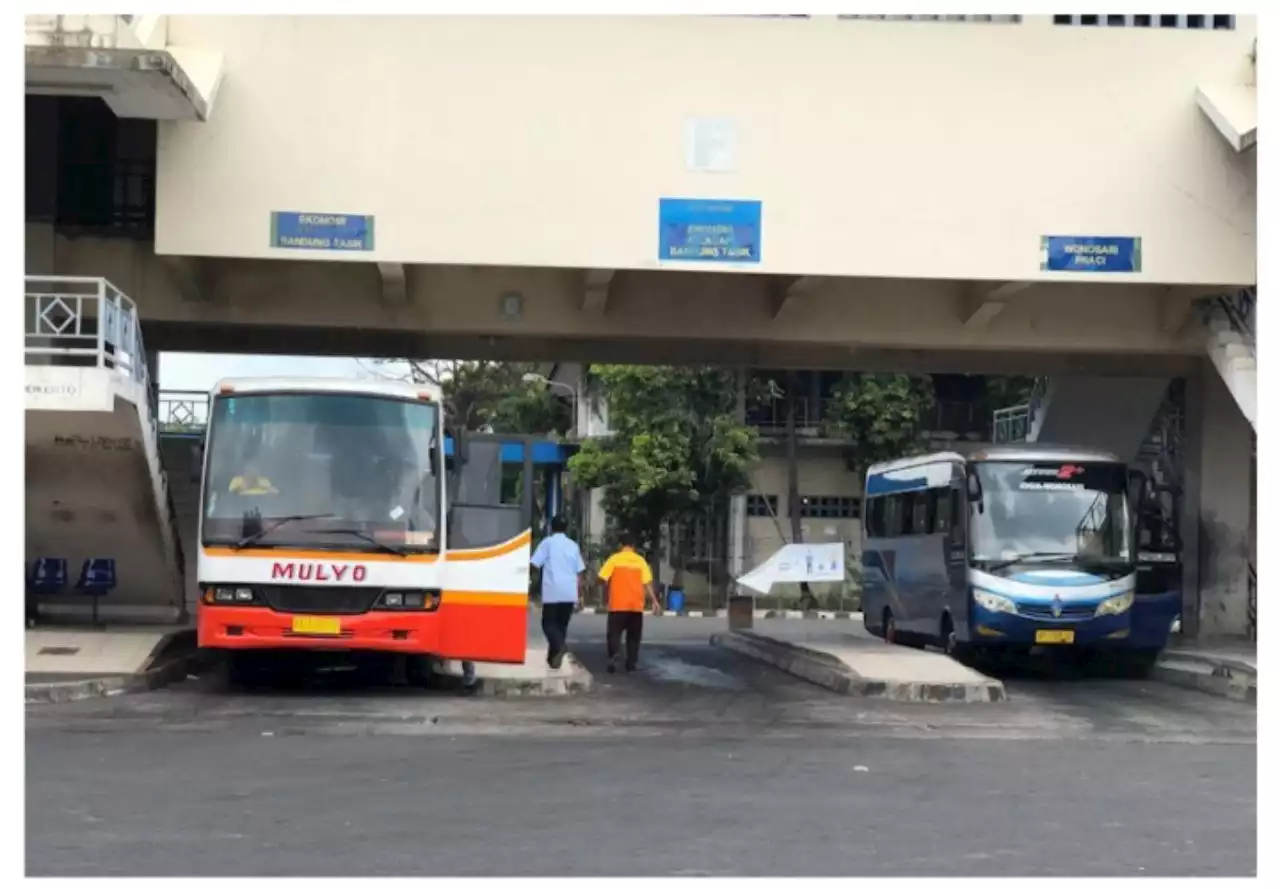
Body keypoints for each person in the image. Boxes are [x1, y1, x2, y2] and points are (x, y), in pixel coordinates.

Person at [597, 532, 662, 674]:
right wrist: (655, 601)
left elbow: (602, 578)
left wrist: (602, 586)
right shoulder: (640, 561)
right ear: (633, 546)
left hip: (617, 605)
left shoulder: (614, 559)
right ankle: (631, 664)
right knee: (633, 638)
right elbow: (647, 583)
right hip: (635, 606)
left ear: (621, 545)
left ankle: (614, 654)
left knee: (614, 634)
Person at [529, 515, 586, 669]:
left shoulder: (547, 543)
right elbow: (580, 572)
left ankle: (560, 647)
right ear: (566, 527)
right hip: (569, 591)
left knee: (548, 623)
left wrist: (531, 577)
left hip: (552, 590)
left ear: (551, 527)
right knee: (561, 625)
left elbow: (534, 564)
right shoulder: (573, 545)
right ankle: (553, 659)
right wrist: (579, 594)